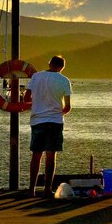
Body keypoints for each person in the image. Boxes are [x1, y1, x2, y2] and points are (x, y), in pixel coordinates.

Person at [23, 55, 72, 198]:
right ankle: (47, 189)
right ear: (62, 67)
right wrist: (58, 112)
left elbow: (26, 99)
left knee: (36, 155)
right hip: (55, 121)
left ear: (49, 63)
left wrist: (39, 105)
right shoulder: (64, 81)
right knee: (51, 155)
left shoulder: (36, 77)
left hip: (37, 120)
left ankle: (31, 189)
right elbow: (68, 107)